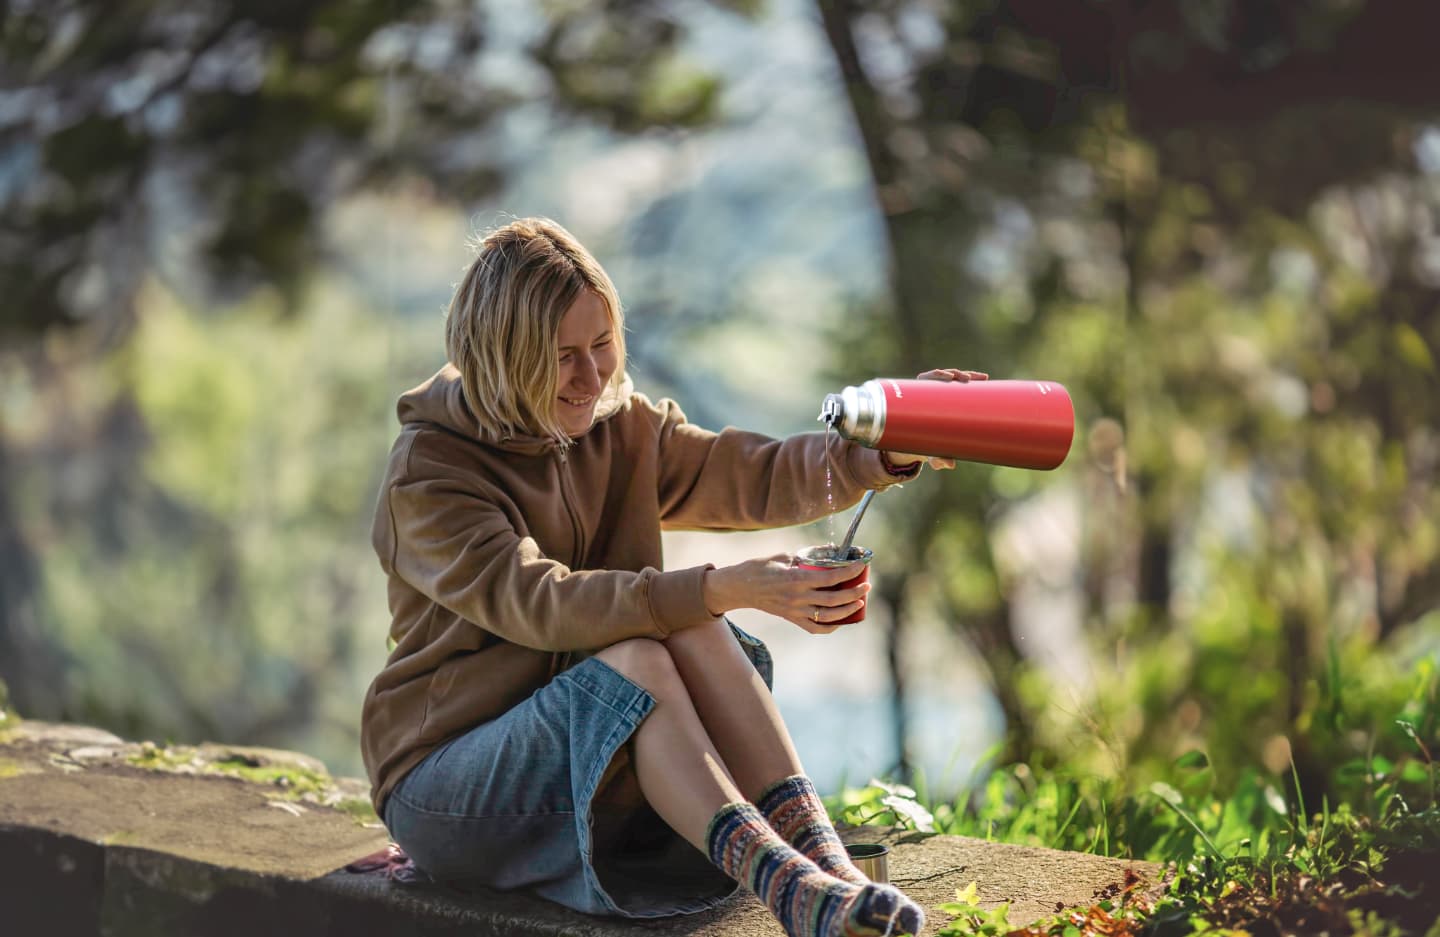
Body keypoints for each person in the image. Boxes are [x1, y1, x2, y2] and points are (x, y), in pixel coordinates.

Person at [360, 217, 984, 937]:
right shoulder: (432, 473)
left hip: (595, 755)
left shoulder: (617, 425)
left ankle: (829, 875)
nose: (592, 376)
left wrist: (879, 449)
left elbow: (748, 473)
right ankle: (788, 887)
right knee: (645, 647)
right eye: (563, 355)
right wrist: (723, 586)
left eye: (602, 345)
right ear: (502, 355)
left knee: (676, 631)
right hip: (449, 788)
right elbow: (542, 603)